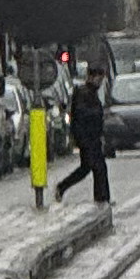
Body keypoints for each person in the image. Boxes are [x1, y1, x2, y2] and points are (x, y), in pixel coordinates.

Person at [57, 60, 112, 215]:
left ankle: (101, 198)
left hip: (92, 138)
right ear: (91, 77)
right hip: (87, 139)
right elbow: (82, 115)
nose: (100, 83)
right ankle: (101, 198)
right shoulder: (83, 93)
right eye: (98, 79)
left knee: (92, 168)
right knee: (96, 168)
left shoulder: (90, 92)